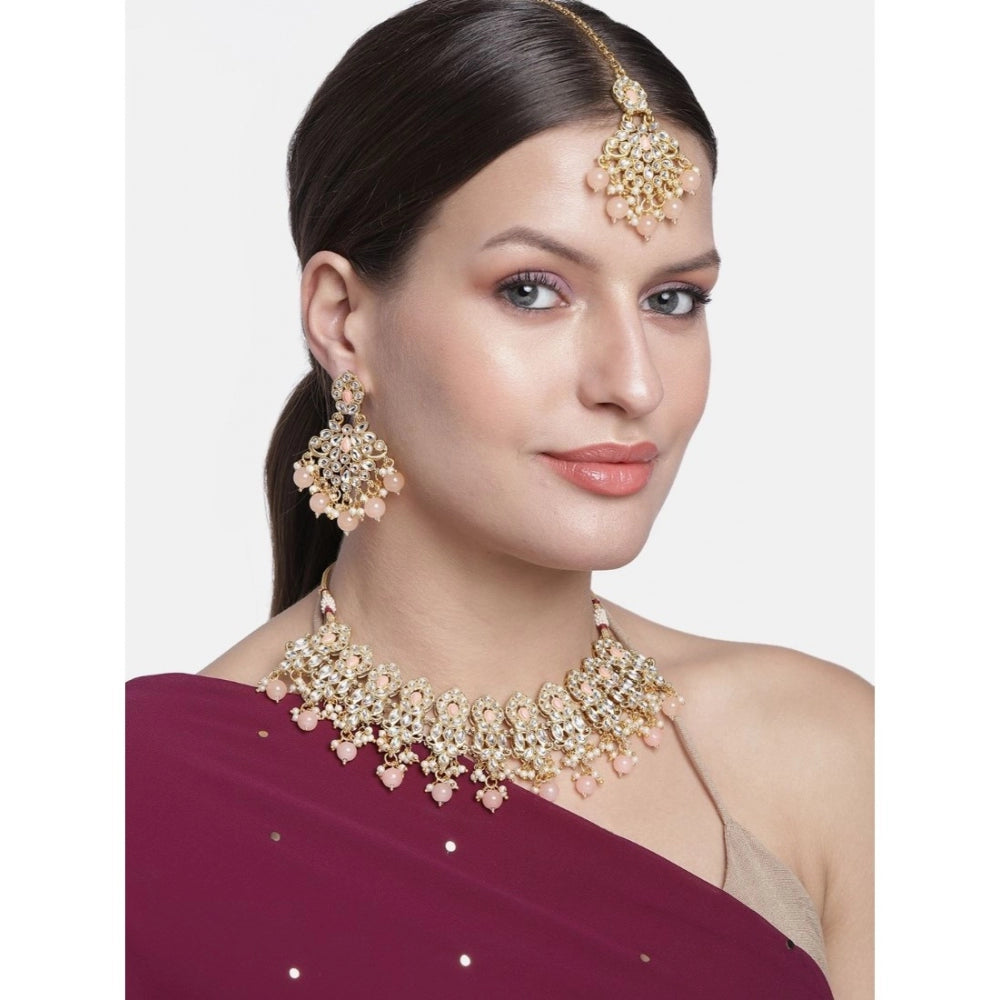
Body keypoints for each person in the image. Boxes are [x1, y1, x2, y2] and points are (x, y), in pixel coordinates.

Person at [126, 1, 872, 996]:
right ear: (342, 321)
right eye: (532, 290)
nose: (633, 382)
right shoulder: (138, 799)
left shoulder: (823, 751)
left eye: (673, 300)